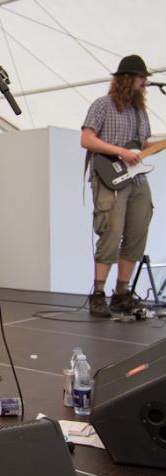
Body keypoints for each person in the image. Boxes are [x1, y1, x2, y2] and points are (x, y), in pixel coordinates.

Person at [81, 55, 153, 317]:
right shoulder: (102, 105)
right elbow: (87, 139)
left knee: (137, 233)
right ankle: (98, 293)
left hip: (137, 180)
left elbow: (142, 146)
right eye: (141, 77)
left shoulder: (140, 112)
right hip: (109, 176)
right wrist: (120, 151)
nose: (145, 82)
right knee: (111, 232)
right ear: (127, 78)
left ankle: (121, 294)